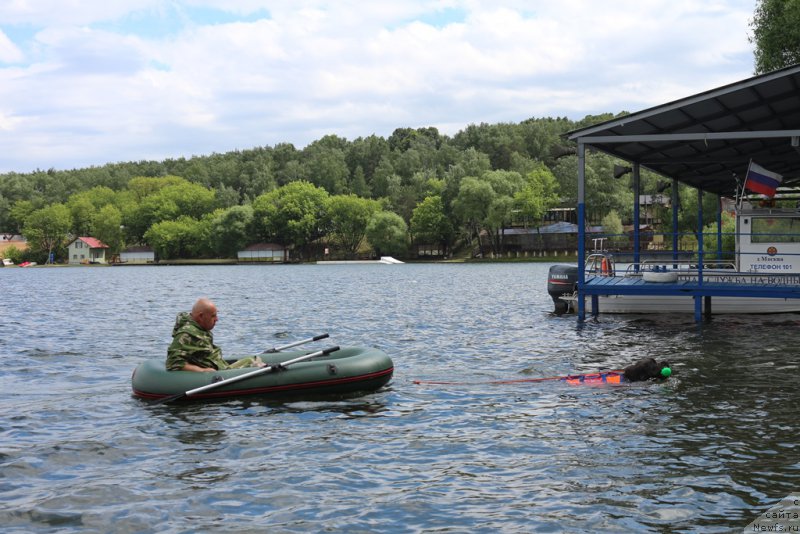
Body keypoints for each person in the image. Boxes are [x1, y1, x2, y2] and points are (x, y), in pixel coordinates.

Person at [166, 298, 265, 372]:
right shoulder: (186, 334)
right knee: (252, 362)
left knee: (252, 359)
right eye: (213, 316)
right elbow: (172, 362)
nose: (217, 319)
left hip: (220, 368)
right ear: (201, 316)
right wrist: (202, 371)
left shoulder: (200, 329)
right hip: (216, 374)